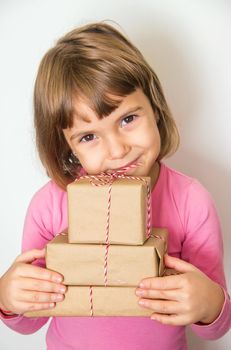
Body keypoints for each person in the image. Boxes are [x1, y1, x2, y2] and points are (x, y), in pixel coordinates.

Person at [0, 21, 230, 350]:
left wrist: (209, 303)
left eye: (127, 119)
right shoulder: (49, 206)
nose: (118, 150)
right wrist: (9, 298)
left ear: (154, 106)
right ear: (68, 147)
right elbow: (31, 320)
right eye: (89, 136)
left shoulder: (191, 202)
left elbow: (213, 327)